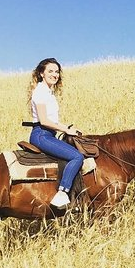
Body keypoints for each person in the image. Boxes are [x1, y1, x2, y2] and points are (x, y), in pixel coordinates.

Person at [28, 58, 84, 209]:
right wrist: (66, 129)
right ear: (41, 73)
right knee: (76, 156)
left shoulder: (49, 93)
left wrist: (68, 130)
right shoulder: (40, 92)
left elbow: (52, 120)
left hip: (49, 134)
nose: (55, 74)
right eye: (50, 71)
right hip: (41, 134)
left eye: (57, 71)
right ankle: (61, 193)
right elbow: (44, 120)